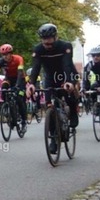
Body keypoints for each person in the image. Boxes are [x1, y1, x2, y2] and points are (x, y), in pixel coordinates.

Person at [26, 23, 79, 154]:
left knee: (68, 93)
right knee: (49, 106)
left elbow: (67, 64)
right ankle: (53, 140)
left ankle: (73, 112)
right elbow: (36, 67)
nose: (47, 45)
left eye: (50, 42)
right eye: (44, 41)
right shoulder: (38, 49)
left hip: (66, 74)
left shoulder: (65, 46)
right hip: (50, 77)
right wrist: (31, 84)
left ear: (56, 37)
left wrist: (68, 81)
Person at [0, 43, 27, 133]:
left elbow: (20, 73)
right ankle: (9, 111)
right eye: (3, 55)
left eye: (7, 54)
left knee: (19, 98)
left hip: (20, 79)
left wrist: (17, 86)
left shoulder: (18, 59)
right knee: (4, 90)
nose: (5, 56)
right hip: (8, 79)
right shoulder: (0, 61)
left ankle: (24, 121)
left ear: (11, 53)